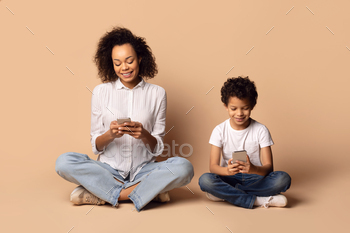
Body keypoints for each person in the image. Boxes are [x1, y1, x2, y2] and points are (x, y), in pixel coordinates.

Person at [55, 27, 194, 212]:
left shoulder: (157, 93)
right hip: (108, 171)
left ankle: (105, 194)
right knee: (64, 162)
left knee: (184, 167)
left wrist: (144, 134)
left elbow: (158, 147)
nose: (124, 68)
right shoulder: (100, 92)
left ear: (140, 59)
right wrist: (110, 134)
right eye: (117, 63)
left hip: (144, 170)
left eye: (129, 61)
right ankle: (149, 192)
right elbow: (96, 145)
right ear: (110, 64)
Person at [198, 76, 291, 209]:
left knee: (283, 179)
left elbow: (269, 167)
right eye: (234, 108)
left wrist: (253, 169)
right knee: (205, 180)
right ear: (226, 106)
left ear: (252, 106)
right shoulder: (219, 130)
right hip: (229, 178)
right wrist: (227, 171)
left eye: (245, 108)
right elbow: (213, 167)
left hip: (255, 179)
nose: (239, 113)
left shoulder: (261, 130)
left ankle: (226, 195)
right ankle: (258, 200)